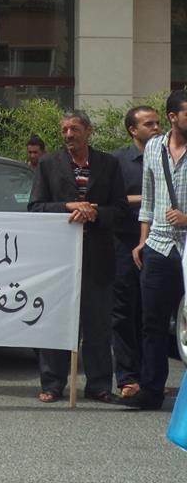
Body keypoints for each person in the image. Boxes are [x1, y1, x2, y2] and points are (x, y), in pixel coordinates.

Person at [28, 110, 126, 404]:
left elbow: (121, 211)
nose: (69, 135)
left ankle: (98, 385)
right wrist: (68, 207)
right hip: (58, 258)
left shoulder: (108, 164)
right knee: (56, 321)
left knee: (98, 325)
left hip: (98, 257)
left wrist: (95, 212)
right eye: (64, 130)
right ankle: (53, 383)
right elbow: (35, 208)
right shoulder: (48, 164)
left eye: (74, 129)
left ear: (88, 131)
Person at [122, 92, 187, 410]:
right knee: (153, 322)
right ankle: (150, 390)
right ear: (173, 117)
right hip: (159, 245)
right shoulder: (154, 147)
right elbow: (148, 197)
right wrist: (142, 240)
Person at [111, 105, 160, 398]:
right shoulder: (117, 161)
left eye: (157, 123)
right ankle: (128, 377)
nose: (156, 128)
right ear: (133, 130)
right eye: (148, 124)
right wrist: (147, 198)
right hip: (125, 242)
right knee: (124, 311)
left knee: (152, 313)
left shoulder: (168, 156)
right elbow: (110, 199)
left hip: (162, 242)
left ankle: (151, 377)